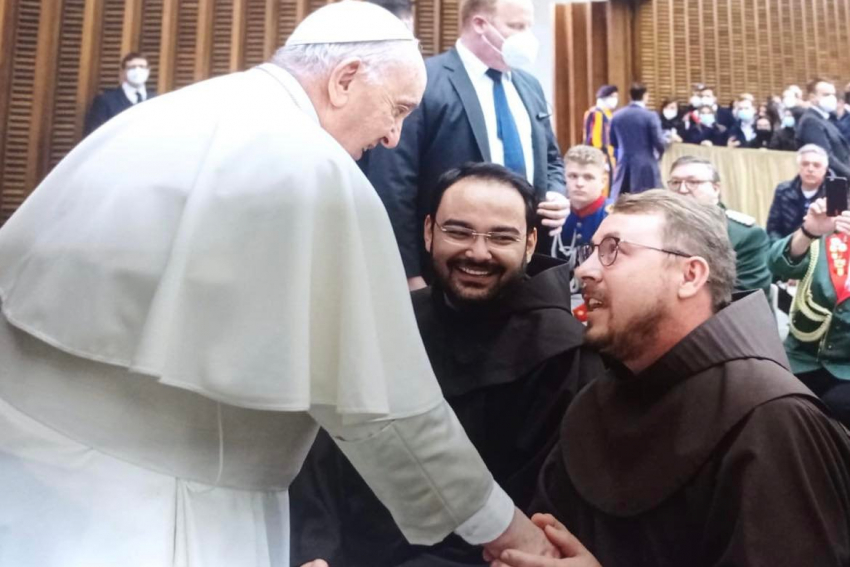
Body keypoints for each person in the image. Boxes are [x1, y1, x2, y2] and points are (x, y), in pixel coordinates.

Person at [0, 3, 557, 566]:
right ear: (345, 81)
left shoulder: (170, 111)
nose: (393, 136)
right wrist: (507, 530)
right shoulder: (315, 169)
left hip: (30, 473)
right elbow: (388, 410)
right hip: (155, 508)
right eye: (398, 109)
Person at [496, 190, 850, 567]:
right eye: (591, 251)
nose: (584, 270)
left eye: (613, 250)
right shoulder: (597, 396)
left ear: (690, 275)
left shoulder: (773, 418)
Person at [290, 163, 602, 567]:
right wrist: (315, 550)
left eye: (500, 237)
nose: (477, 252)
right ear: (428, 232)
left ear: (529, 244)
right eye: (458, 231)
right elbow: (324, 453)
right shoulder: (387, 321)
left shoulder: (562, 356)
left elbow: (532, 513)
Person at [363, 0, 568, 292]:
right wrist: (407, 274)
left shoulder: (529, 85)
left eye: (528, 27)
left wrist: (557, 193)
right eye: (516, 26)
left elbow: (551, 160)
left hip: (523, 269)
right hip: (445, 271)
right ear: (480, 25)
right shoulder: (425, 81)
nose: (527, 37)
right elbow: (394, 183)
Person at [768, 197, 850, 427]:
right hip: (802, 357)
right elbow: (776, 265)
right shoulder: (827, 237)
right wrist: (808, 232)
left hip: (846, 368)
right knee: (769, 398)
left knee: (836, 407)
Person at [667, 156, 772, 296]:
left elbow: (746, 296)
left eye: (693, 182)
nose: (682, 189)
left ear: (715, 188)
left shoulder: (746, 235)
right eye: (675, 182)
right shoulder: (657, 227)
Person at [551, 145, 609, 311]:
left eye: (588, 177)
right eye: (573, 176)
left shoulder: (612, 217)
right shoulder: (553, 213)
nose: (579, 184)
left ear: (603, 181)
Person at [608, 82, 665, 198]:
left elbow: (613, 142)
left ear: (630, 96)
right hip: (646, 164)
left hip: (623, 163)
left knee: (622, 200)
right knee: (649, 200)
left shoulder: (617, 115)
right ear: (645, 96)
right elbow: (659, 141)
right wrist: (660, 154)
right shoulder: (650, 116)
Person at [766, 144, 828, 242]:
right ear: (799, 167)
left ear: (824, 170)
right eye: (805, 164)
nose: (810, 169)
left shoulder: (834, 195)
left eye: (816, 165)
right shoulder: (783, 190)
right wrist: (780, 249)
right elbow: (773, 228)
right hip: (786, 248)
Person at [83, 52, 155, 136]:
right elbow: (94, 134)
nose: (137, 71)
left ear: (148, 71)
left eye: (142, 67)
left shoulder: (156, 100)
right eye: (132, 67)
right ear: (123, 72)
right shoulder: (106, 101)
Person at [796, 77, 850, 178]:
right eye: (826, 95)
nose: (832, 98)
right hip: (828, 182)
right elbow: (825, 156)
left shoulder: (825, 119)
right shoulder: (811, 122)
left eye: (833, 94)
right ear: (812, 97)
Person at [582, 85, 618, 193]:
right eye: (613, 96)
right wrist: (600, 156)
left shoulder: (609, 114)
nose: (615, 100)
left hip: (610, 155)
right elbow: (593, 138)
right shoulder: (595, 113)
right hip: (600, 156)